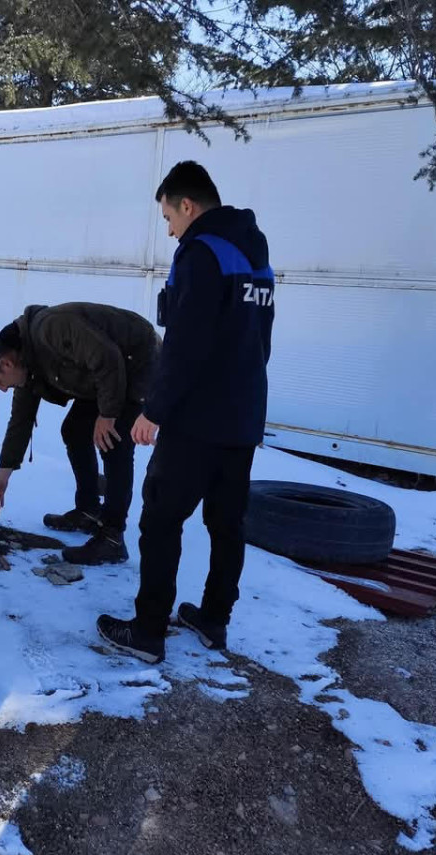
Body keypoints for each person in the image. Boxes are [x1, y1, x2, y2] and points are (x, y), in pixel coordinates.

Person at [97, 161, 275, 663]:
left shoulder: (199, 252)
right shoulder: (254, 254)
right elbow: (260, 340)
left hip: (197, 418)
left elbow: (185, 342)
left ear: (187, 206)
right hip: (243, 416)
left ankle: (149, 630)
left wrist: (155, 409)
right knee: (226, 524)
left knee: (160, 520)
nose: (169, 228)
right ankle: (214, 620)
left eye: (168, 217)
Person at [0, 302, 160, 565]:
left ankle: (112, 538)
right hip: (102, 377)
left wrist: (107, 415)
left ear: (5, 363)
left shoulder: (52, 328)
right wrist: (4, 473)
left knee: (112, 442)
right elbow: (20, 421)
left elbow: (107, 357)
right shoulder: (25, 363)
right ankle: (88, 510)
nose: (2, 389)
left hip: (135, 361)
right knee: (74, 430)